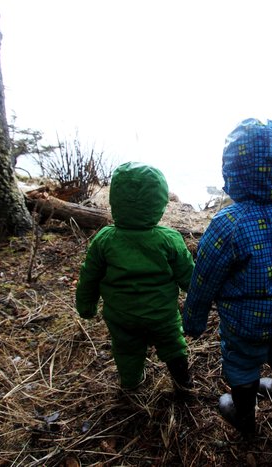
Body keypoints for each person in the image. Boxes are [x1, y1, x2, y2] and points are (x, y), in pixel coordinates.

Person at [182, 118, 272, 438]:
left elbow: (204, 278)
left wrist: (194, 319)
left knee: (242, 363)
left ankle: (243, 415)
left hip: (244, 322)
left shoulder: (228, 222)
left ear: (232, 170)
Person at [76, 162, 195, 394]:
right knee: (173, 345)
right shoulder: (169, 239)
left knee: (126, 350)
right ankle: (184, 384)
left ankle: (131, 385)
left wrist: (86, 306)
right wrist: (201, 298)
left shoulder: (104, 239)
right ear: (159, 202)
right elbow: (189, 276)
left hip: (122, 316)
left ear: (115, 201)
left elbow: (88, 276)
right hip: (162, 315)